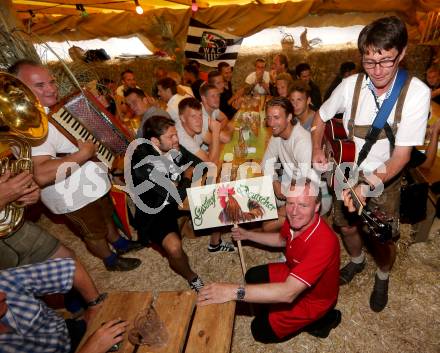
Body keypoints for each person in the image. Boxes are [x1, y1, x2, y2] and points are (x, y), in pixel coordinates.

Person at [311, 16, 431, 312]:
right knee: (347, 227)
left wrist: (366, 186)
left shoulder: (417, 93)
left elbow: (402, 156)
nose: (377, 71)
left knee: (380, 234)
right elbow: (320, 118)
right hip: (345, 169)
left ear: (401, 53)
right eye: (369, 62)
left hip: (384, 176)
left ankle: (383, 273)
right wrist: (317, 147)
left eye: (386, 61)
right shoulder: (350, 85)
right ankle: (356, 261)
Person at [10, 60, 143, 272]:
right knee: (93, 231)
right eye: (40, 85)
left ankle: (120, 244)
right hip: (72, 196)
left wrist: (97, 112)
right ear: (18, 90)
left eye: (51, 82)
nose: (51, 88)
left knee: (106, 215)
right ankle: (110, 260)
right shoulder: (29, 126)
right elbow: (42, 174)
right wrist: (83, 154)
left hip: (92, 184)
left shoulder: (51, 110)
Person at [197, 178, 341, 343]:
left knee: (258, 330)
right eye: (290, 203)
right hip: (293, 272)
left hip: (313, 298)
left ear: (317, 207)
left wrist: (231, 291)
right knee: (252, 276)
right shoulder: (296, 221)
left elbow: (288, 293)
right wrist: (248, 235)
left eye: (303, 205)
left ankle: (322, 320)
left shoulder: (324, 242)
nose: (294, 212)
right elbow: (281, 240)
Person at [130, 115, 204, 291]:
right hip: (154, 212)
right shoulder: (143, 162)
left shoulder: (172, 146)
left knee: (214, 197)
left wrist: (184, 178)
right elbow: (174, 196)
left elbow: (200, 164)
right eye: (171, 136)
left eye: (175, 134)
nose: (176, 139)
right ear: (155, 141)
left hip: (174, 200)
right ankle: (192, 277)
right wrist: (186, 177)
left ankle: (215, 244)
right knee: (174, 248)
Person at [0, 257, 128, 353]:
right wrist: (91, 349)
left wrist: (94, 305)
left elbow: (70, 268)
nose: (3, 296)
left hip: (66, 332)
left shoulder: (3, 282)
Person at [176, 98, 235, 253]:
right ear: (182, 118)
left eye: (199, 116)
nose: (198, 121)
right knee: (222, 195)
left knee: (226, 177)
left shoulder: (194, 127)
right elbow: (212, 163)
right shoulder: (181, 136)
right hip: (178, 190)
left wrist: (214, 137)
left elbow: (216, 145)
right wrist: (215, 131)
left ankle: (215, 240)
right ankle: (215, 244)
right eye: (192, 117)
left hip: (194, 175)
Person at [261, 97, 312, 231]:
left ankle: (294, 238)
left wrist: (288, 198)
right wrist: (274, 182)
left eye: (276, 117)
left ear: (289, 117)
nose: (271, 123)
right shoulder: (277, 135)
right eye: (269, 118)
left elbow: (306, 181)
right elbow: (266, 162)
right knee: (254, 195)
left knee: (267, 226)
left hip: (309, 193)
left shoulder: (302, 141)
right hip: (288, 185)